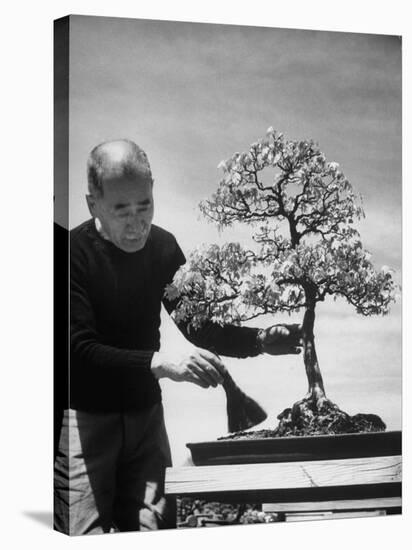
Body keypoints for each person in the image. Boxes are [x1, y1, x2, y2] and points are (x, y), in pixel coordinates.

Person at [54, 139, 302, 536]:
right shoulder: (70, 254)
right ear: (92, 203)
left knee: (154, 532)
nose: (136, 224)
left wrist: (259, 340)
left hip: (146, 420)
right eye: (122, 210)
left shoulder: (163, 248)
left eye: (145, 206)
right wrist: (160, 364)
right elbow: (77, 349)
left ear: (153, 191)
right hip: (84, 420)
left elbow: (200, 325)